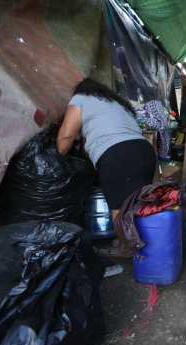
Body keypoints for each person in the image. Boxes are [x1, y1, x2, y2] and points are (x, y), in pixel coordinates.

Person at [57, 78, 156, 254]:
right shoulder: (116, 104)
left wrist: (56, 158)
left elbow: (66, 136)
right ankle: (149, 243)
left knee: (119, 208)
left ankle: (127, 249)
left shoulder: (80, 98)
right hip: (144, 151)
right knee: (138, 203)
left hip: (117, 154)